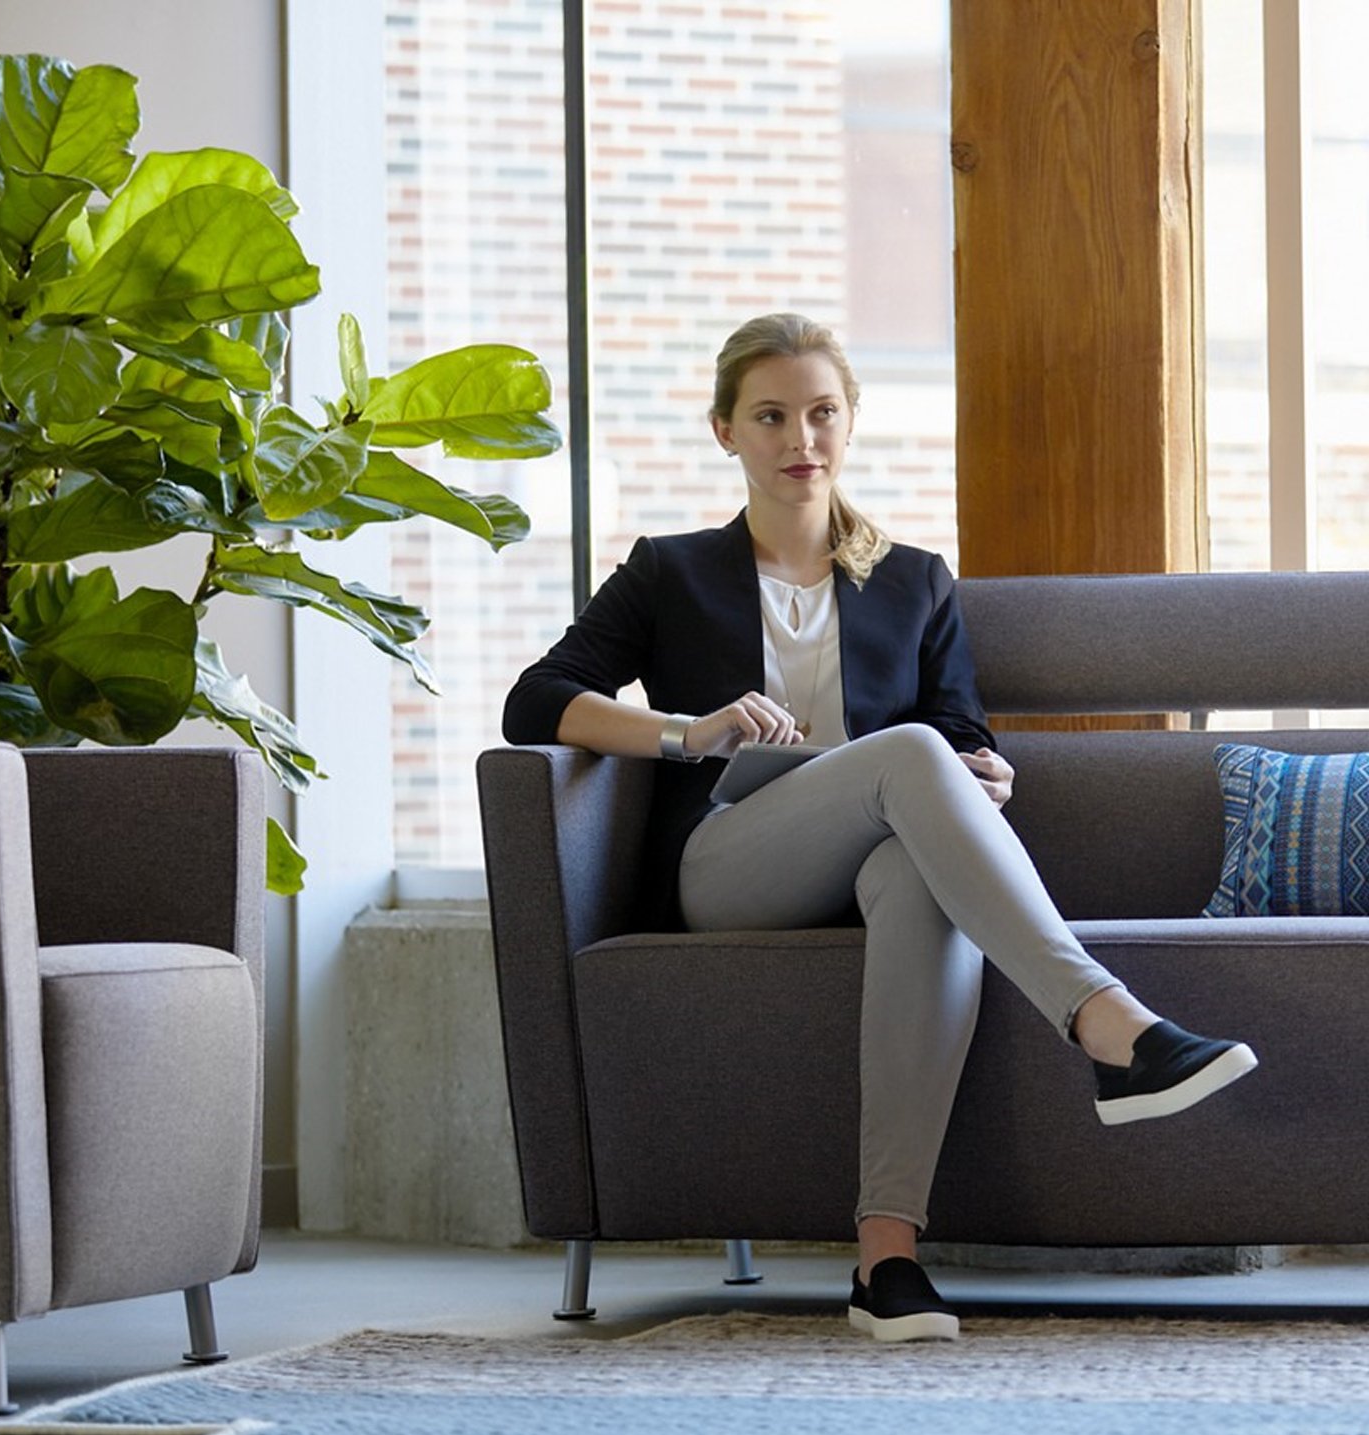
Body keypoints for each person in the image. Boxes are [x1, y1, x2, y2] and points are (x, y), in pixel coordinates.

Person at [502, 313, 1258, 1344]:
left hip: (877, 850)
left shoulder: (912, 579)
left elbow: (959, 732)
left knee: (918, 865)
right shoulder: (668, 572)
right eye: (770, 416)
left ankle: (886, 1261)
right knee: (908, 756)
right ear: (727, 431)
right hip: (729, 863)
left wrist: (980, 775)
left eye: (821, 413)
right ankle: (1104, 1022)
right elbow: (536, 698)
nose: (798, 438)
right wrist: (689, 731)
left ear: (849, 424)